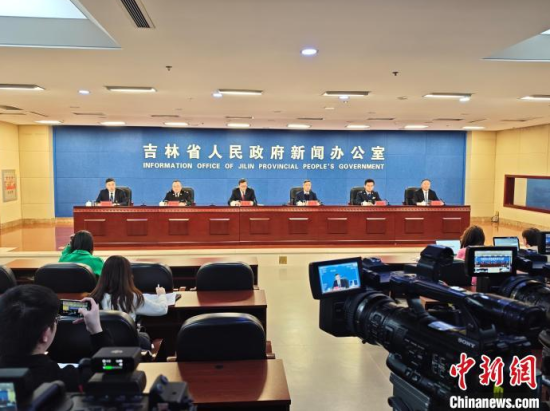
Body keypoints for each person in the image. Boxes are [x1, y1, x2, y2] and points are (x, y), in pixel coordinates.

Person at [0, 285, 113, 393]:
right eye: (56, 319)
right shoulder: (68, 380)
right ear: (45, 335)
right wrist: (96, 329)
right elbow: (112, 370)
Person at [90, 255, 168, 349]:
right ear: (127, 275)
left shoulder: (93, 297)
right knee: (144, 337)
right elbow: (161, 309)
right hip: (129, 347)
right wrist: (161, 295)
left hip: (102, 347)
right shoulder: (132, 297)